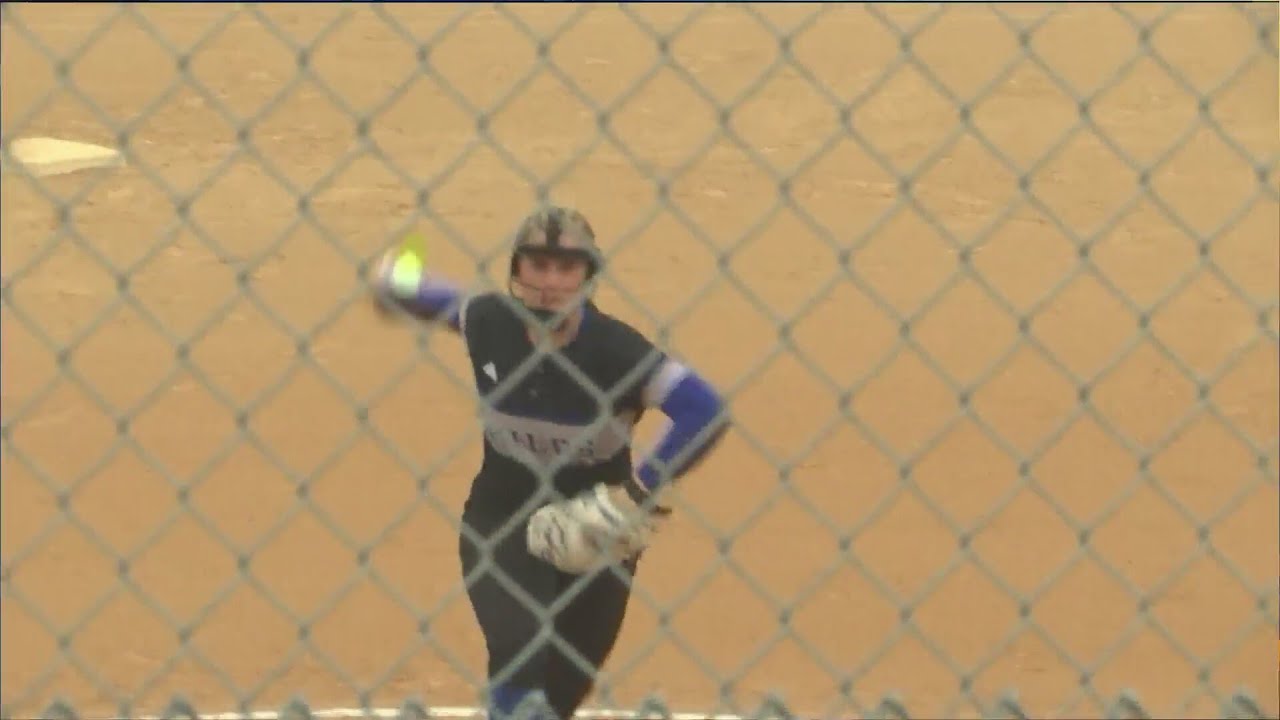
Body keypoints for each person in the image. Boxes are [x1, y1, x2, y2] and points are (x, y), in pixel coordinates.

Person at [367, 206, 729, 720]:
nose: (550, 282)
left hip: (598, 529)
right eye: (537, 266)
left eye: (566, 268)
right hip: (501, 519)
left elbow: (704, 410)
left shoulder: (617, 353)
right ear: (517, 271)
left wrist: (636, 492)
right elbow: (417, 292)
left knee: (562, 689)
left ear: (588, 275)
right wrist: (397, 271)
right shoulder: (489, 322)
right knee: (519, 650)